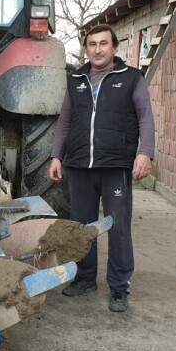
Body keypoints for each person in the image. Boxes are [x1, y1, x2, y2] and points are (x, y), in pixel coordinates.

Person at [48, 24, 155, 313]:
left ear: (114, 47)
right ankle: (85, 278)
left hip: (115, 165)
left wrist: (145, 152)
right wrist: (56, 156)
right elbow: (65, 121)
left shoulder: (131, 78)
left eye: (103, 43)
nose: (98, 49)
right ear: (86, 49)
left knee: (117, 227)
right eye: (92, 44)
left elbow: (145, 117)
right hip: (80, 165)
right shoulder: (76, 80)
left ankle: (119, 288)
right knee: (82, 227)